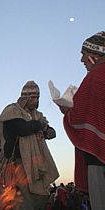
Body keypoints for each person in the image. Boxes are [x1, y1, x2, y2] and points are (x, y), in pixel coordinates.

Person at [0, 81, 59, 210]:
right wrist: (40, 125)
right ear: (25, 97)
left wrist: (49, 132)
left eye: (38, 97)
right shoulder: (12, 111)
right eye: (33, 97)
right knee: (24, 200)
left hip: (35, 164)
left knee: (41, 195)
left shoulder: (36, 116)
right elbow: (23, 129)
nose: (36, 101)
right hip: (18, 164)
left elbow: (46, 130)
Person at [58, 31, 105, 210]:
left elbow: (80, 117)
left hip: (98, 159)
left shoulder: (95, 77)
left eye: (84, 55)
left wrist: (67, 110)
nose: (82, 60)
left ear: (95, 54)